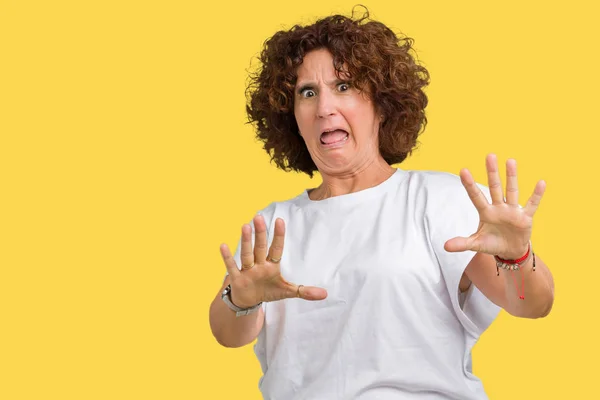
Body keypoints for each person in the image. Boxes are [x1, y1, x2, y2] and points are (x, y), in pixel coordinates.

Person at [208, 7, 555, 400]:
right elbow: (227, 335)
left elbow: (532, 304)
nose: (324, 108)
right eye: (308, 92)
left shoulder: (435, 199)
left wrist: (517, 256)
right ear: (292, 116)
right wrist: (242, 301)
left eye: (343, 86)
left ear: (381, 104)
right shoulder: (274, 225)